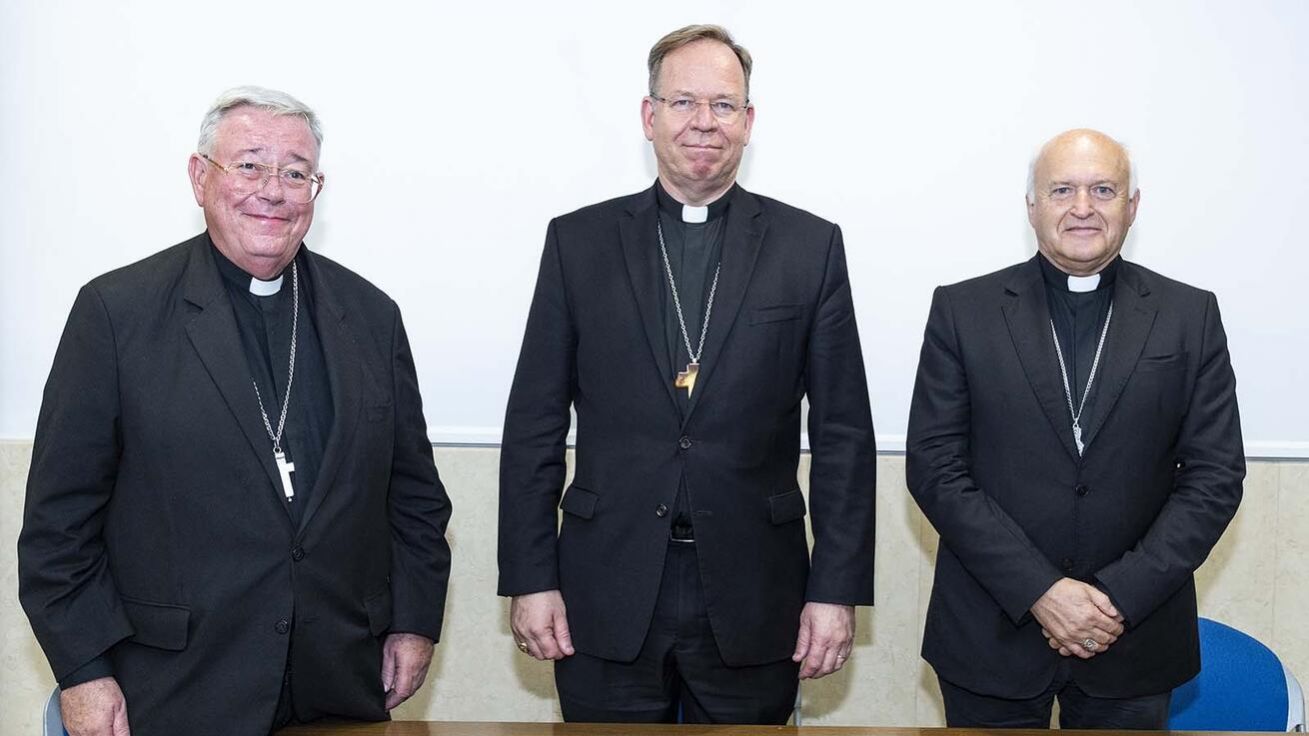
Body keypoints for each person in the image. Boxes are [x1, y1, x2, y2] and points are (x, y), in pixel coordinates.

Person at [18, 86, 452, 736]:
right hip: (170, 688)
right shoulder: (117, 314)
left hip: (333, 681)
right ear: (200, 176)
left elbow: (414, 499)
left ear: (316, 188)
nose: (272, 190)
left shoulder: (370, 317)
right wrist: (83, 669)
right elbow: (59, 524)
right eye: (248, 165)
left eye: (295, 172)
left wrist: (414, 623)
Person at [497, 24, 877, 725]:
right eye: (682, 102)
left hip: (756, 592)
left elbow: (844, 436)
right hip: (603, 587)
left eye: (724, 105)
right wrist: (530, 578)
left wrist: (834, 590)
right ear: (649, 117)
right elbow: (534, 425)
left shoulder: (808, 248)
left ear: (748, 121)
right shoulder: (578, 243)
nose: (704, 122)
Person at [906, 128, 1244, 729]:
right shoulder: (964, 311)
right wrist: (1042, 590)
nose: (1082, 207)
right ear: (1032, 205)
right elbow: (935, 468)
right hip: (991, 630)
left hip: (1133, 636)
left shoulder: (1190, 315)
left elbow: (1215, 477)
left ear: (1132, 206)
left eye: (1103, 189)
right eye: (1062, 189)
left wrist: (1118, 597)